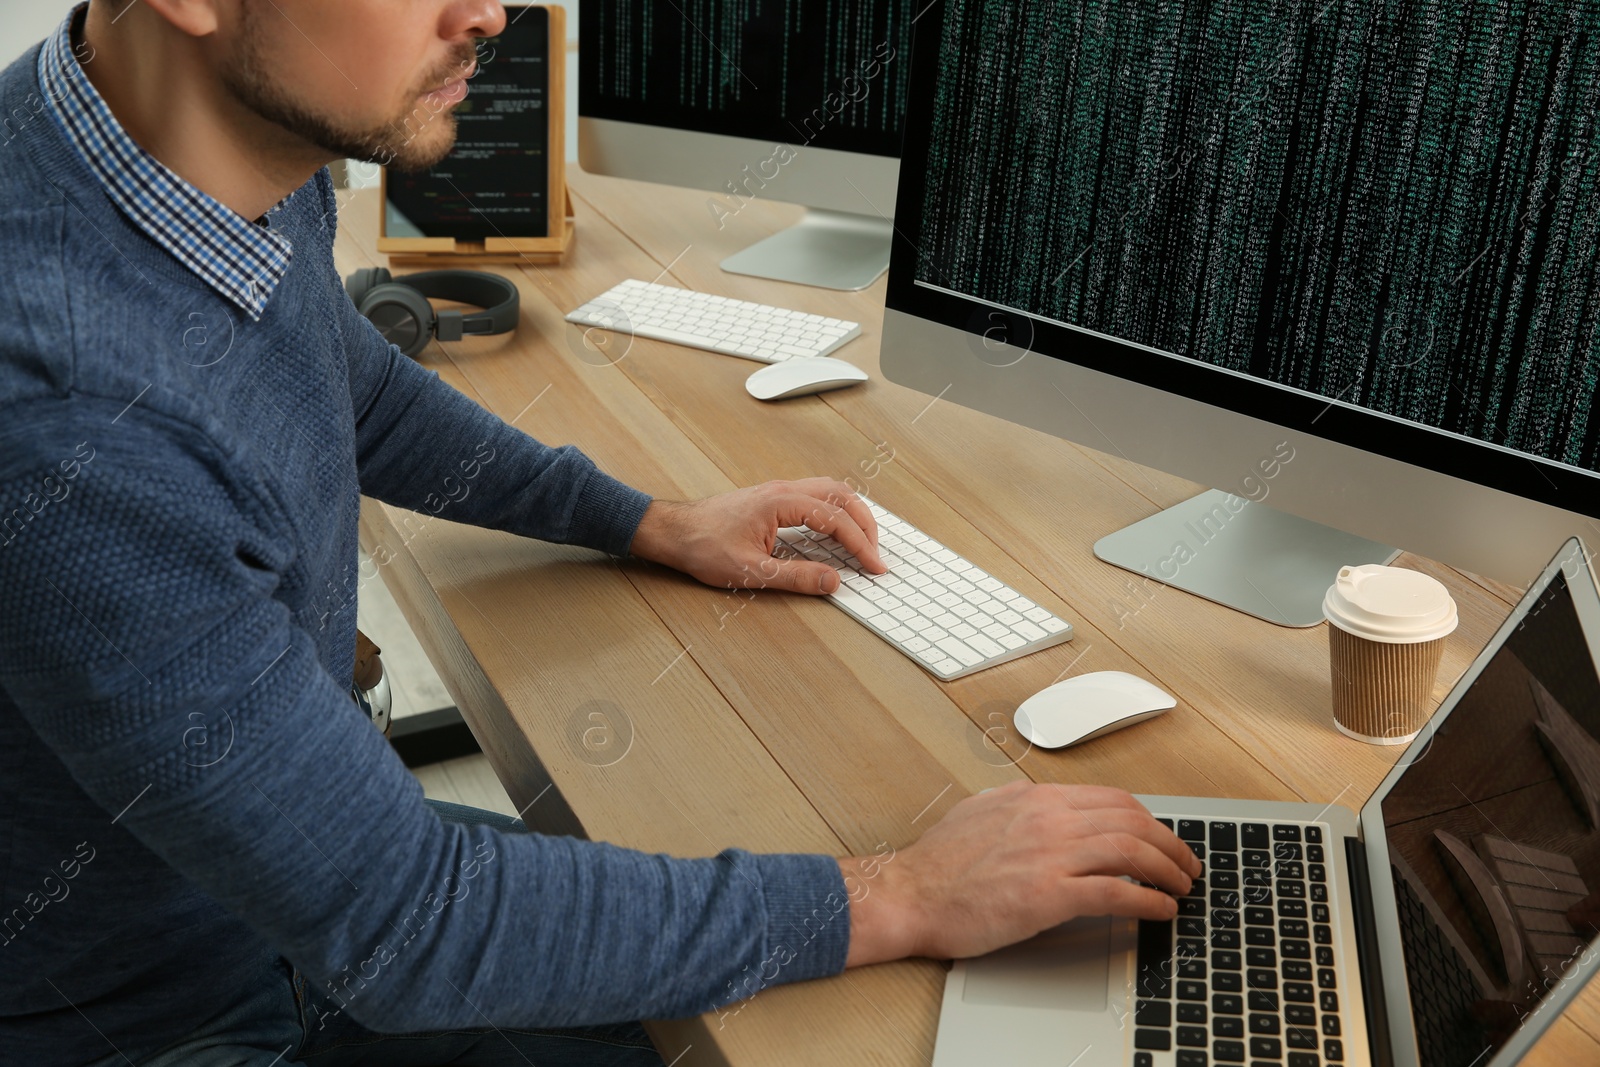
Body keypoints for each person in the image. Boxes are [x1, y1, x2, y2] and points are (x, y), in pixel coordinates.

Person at [0, 2, 1202, 1064]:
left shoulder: (176, 146)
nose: (491, 15)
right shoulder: (67, 415)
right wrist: (906, 891)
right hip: (182, 1011)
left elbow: (345, 378)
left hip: (281, 902)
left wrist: (643, 519)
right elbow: (409, 924)